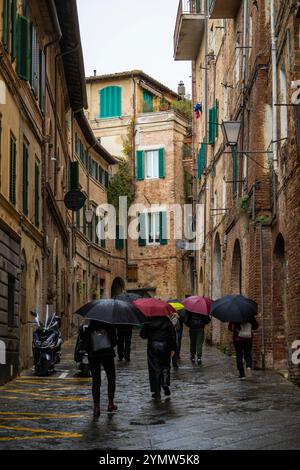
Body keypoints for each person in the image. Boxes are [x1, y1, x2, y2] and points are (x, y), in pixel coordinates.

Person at [79, 320, 118, 417]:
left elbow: (86, 342)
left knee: (96, 380)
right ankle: (110, 403)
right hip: (107, 354)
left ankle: (96, 407)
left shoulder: (91, 326)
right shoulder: (109, 324)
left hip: (94, 356)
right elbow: (114, 342)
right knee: (111, 378)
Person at [140, 317, 176, 400]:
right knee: (166, 366)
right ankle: (165, 383)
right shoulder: (167, 321)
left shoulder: (148, 321)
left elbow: (142, 335)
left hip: (153, 346)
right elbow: (172, 335)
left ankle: (157, 392)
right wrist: (173, 348)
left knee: (155, 368)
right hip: (165, 345)